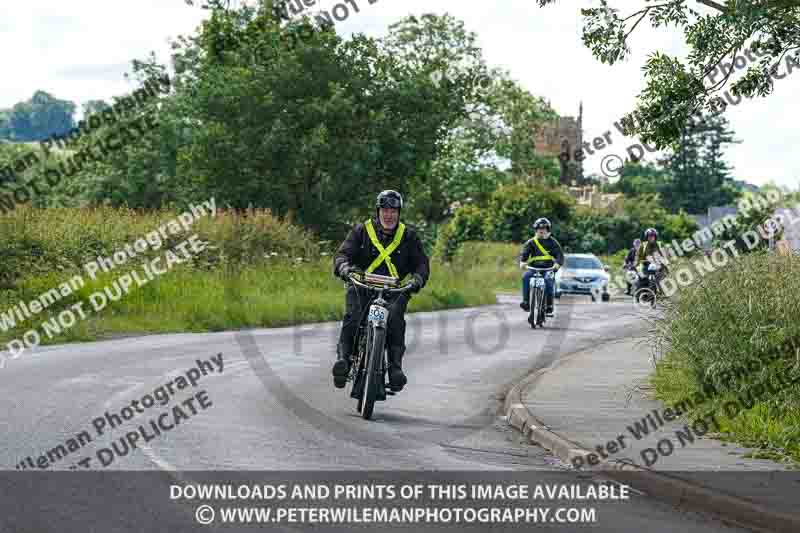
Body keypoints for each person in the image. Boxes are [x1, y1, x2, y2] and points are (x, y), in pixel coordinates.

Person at [331, 190, 430, 391]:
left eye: (393, 210)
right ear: (378, 211)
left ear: (399, 213)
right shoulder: (362, 230)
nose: (389, 214)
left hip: (393, 290)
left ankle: (395, 368)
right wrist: (343, 267)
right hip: (361, 285)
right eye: (385, 210)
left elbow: (422, 264)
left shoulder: (409, 236)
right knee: (353, 316)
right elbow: (342, 254)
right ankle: (344, 361)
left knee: (395, 319)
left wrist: (417, 279)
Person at [519, 218, 564, 316]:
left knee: (548, 281)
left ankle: (549, 306)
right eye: (539, 228)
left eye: (544, 228)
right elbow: (524, 253)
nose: (541, 230)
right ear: (536, 230)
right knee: (525, 277)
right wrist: (522, 262)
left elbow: (559, 255)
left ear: (548, 229)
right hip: (533, 269)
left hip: (548, 269)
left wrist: (557, 264)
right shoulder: (531, 242)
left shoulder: (553, 242)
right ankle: (526, 302)